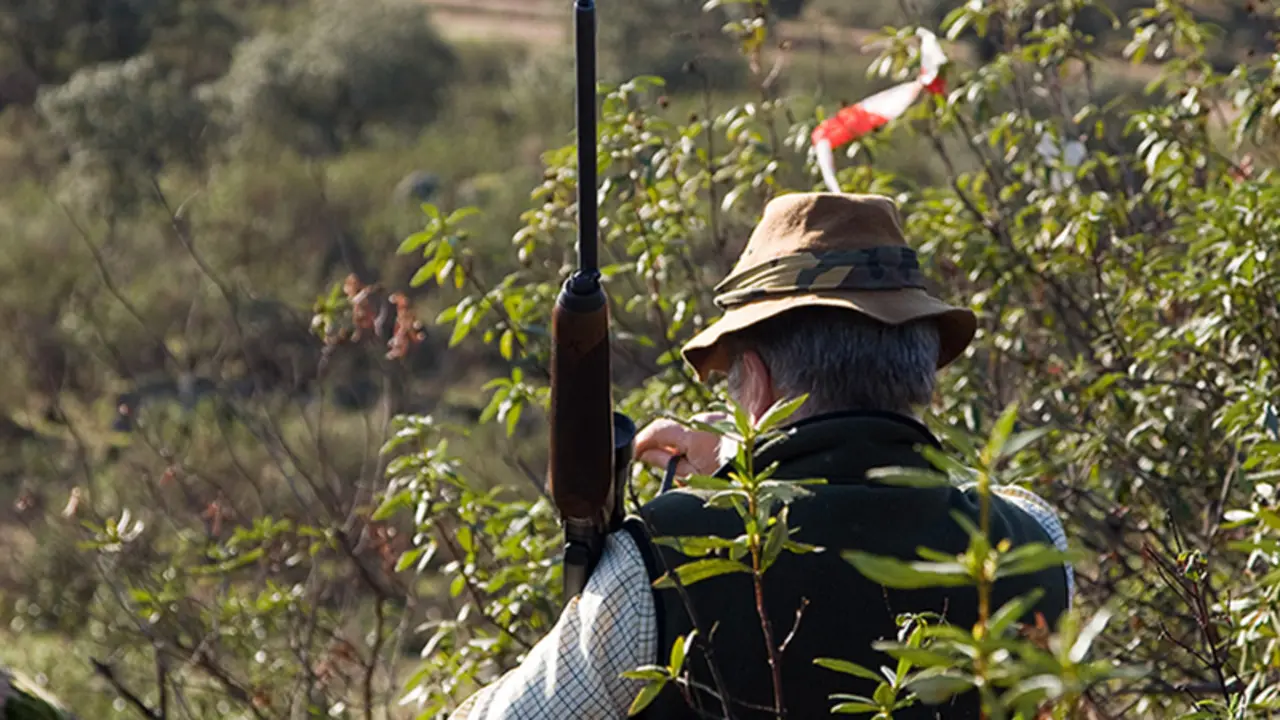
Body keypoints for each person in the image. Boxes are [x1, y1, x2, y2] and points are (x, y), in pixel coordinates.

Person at [449, 193, 1073, 719]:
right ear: (920, 377)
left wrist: (728, 479)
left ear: (759, 382)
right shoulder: (1030, 540)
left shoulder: (665, 563)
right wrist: (741, 463)